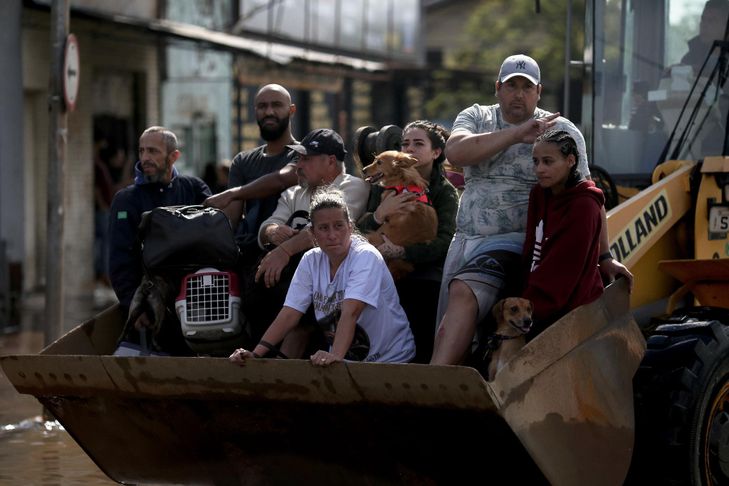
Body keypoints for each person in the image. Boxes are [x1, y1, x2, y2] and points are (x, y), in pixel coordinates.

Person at [430, 54, 632, 366]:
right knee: (445, 313)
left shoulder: (560, 130)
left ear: (539, 92)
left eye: (527, 87)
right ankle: (445, 381)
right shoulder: (476, 116)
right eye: (512, 86)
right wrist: (517, 133)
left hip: (517, 242)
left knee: (463, 290)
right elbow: (455, 151)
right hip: (465, 238)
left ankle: (437, 379)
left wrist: (605, 257)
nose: (519, 94)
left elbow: (590, 194)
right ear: (498, 88)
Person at [229, 187, 415, 366]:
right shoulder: (310, 260)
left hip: (392, 360)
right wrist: (255, 353)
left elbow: (351, 311)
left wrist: (334, 356)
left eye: (339, 226)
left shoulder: (365, 256)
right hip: (346, 361)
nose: (333, 235)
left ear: (350, 228)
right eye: (324, 228)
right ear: (312, 234)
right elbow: (290, 313)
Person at [246, 128, 370, 344]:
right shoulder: (294, 193)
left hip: (331, 283)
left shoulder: (352, 186)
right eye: (298, 158)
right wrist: (273, 232)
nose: (299, 165)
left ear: (331, 161)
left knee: (299, 319)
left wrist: (285, 250)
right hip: (286, 277)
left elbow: (325, 231)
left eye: (306, 159)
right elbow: (268, 225)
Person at [356, 120, 458, 363]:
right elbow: (359, 229)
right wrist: (380, 214)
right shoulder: (383, 185)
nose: (410, 148)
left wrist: (402, 251)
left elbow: (444, 242)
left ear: (436, 152)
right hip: (381, 264)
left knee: (420, 292)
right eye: (405, 143)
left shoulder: (445, 192)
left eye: (418, 143)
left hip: (425, 273)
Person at [108, 126, 211, 327]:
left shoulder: (195, 189)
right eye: (141, 150)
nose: (145, 157)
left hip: (197, 300)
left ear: (174, 156)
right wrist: (134, 306)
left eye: (153, 151)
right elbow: (120, 259)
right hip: (150, 303)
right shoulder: (126, 200)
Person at [203, 83, 300, 267]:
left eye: (277, 105)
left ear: (291, 110)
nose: (269, 112)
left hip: (290, 257)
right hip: (249, 259)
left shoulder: (303, 155)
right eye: (262, 106)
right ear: (255, 111)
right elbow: (231, 219)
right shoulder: (242, 161)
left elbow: (281, 179)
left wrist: (232, 193)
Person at [522, 130, 604, 336]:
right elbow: (530, 249)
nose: (539, 169)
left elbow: (564, 270)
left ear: (570, 161)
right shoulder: (540, 193)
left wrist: (527, 309)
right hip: (533, 301)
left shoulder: (584, 204)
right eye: (536, 161)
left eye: (548, 162)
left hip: (568, 309)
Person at [681, 0, 729, 74]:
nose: (704, 25)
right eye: (703, 19)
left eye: (711, 21)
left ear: (726, 26)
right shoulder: (690, 58)